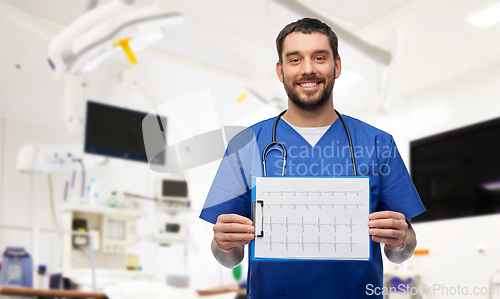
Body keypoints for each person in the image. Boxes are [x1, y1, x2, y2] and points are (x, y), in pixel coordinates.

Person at [200, 18, 425, 298]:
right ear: (281, 71)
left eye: (319, 57)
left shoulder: (378, 143)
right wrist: (223, 244)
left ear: (337, 66)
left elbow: (403, 250)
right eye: (295, 60)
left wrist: (400, 241)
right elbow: (228, 257)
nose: (308, 69)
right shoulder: (245, 146)